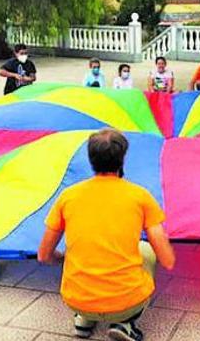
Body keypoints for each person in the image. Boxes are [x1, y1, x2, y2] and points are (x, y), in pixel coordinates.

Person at [38, 129, 176, 341]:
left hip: (75, 299)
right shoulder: (140, 196)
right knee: (145, 249)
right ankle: (124, 323)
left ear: (91, 160)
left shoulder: (68, 196)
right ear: (122, 159)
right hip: (125, 303)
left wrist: (64, 259)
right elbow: (167, 259)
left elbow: (44, 255)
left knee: (76, 253)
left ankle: (83, 319)